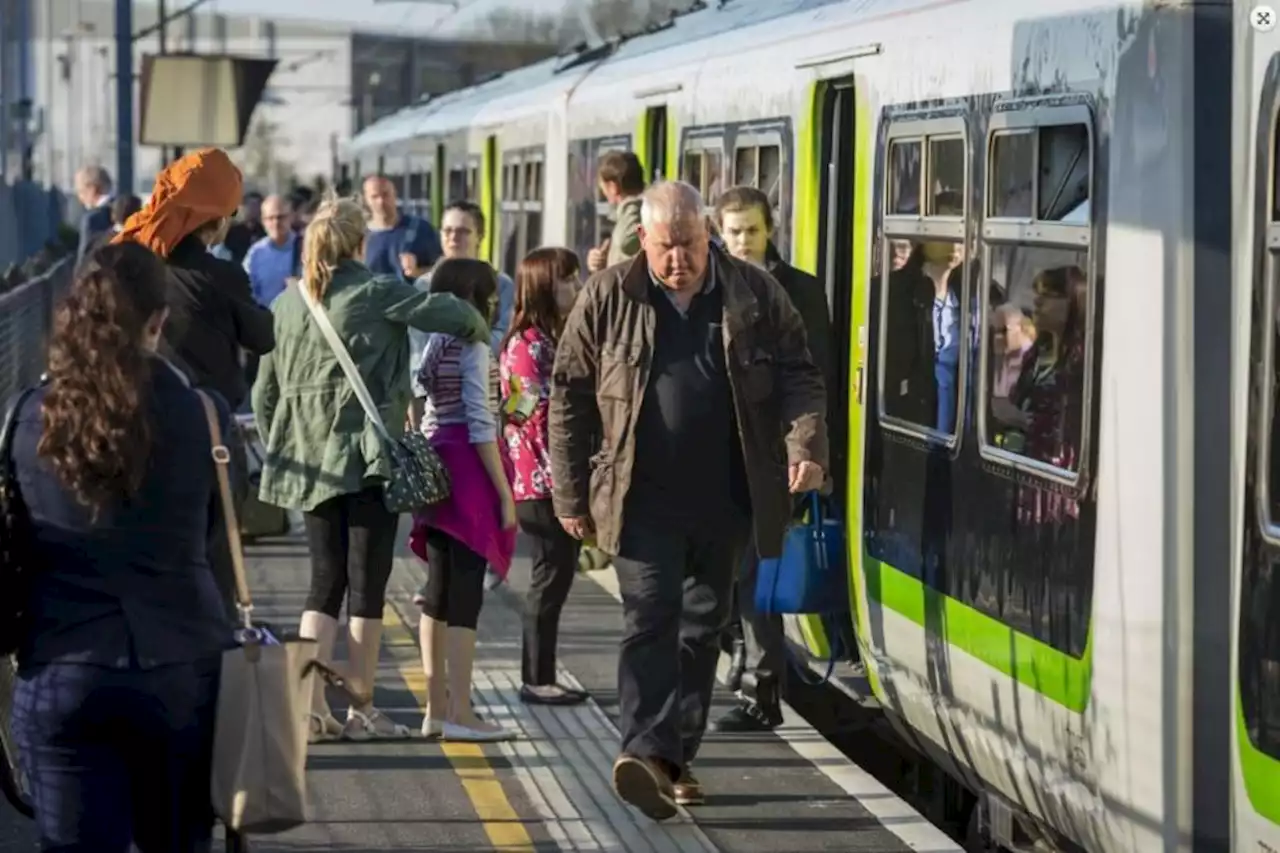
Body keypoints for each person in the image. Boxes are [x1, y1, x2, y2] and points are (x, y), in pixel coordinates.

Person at [549, 181, 828, 819]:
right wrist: (570, 493)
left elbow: (799, 374)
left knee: (703, 627)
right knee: (649, 617)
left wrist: (804, 446)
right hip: (638, 496)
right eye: (666, 247)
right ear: (642, 240)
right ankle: (644, 752)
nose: (680, 260)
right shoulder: (607, 295)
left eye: (691, 245)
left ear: (707, 234)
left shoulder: (755, 292)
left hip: (728, 495)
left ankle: (675, 759)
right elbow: (567, 396)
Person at [7, 242, 232, 852]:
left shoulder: (28, 418)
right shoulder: (203, 417)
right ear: (157, 322)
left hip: (63, 667)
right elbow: (211, 534)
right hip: (182, 668)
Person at [252, 196, 491, 742]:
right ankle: (361, 710)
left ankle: (312, 711)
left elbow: (263, 395)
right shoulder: (377, 291)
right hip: (366, 462)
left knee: (322, 584)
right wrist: (479, 323)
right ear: (361, 243)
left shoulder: (289, 305)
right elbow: (460, 317)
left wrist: (288, 442)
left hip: (309, 465)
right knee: (367, 586)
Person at [112, 147, 275, 619]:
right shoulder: (221, 275)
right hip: (208, 438)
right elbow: (262, 338)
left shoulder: (129, 264)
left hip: (130, 429)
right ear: (216, 219)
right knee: (213, 560)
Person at [711, 186, 834, 733]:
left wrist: (811, 455)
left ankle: (763, 690)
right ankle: (736, 647)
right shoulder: (708, 284)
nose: (742, 242)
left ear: (770, 230)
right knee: (721, 576)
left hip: (770, 459)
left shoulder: (798, 290)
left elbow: (816, 375)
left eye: (752, 231)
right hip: (713, 455)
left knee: (754, 574)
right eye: (733, 232)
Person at [407, 258, 519, 742]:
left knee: (437, 590)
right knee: (465, 595)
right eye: (491, 295)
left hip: (437, 463)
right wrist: (503, 492)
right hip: (470, 469)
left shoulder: (436, 342)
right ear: (475, 295)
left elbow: (426, 407)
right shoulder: (473, 344)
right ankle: (461, 710)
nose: (495, 304)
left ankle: (435, 708)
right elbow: (479, 423)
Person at [499, 247, 588, 706]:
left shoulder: (545, 338)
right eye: (567, 280)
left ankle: (542, 673)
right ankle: (536, 678)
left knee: (554, 577)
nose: (576, 287)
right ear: (543, 287)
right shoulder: (528, 346)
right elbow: (528, 414)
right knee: (549, 579)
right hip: (542, 482)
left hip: (549, 479)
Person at [363, 175, 443, 283]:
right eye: (374, 196)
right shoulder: (361, 236)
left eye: (385, 194)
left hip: (412, 298)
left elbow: (442, 269)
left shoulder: (419, 229)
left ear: (395, 194)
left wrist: (417, 272)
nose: (381, 201)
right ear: (366, 200)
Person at [586, 151, 646, 273]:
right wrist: (602, 263)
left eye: (603, 188)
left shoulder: (630, 217)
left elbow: (626, 245)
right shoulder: (628, 217)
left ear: (613, 187)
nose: (604, 195)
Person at [242, 194, 298, 307]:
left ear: (290, 217)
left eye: (280, 217)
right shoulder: (255, 254)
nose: (276, 223)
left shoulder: (305, 248)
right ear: (263, 221)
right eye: (270, 218)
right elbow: (246, 292)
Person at [73, 164, 113, 263]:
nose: (80, 199)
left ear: (92, 189)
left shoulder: (92, 220)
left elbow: (84, 262)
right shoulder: (129, 209)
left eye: (81, 192)